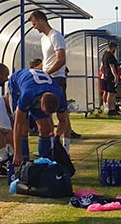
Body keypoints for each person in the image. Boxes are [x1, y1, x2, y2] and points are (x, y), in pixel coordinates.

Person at [29, 10, 77, 148]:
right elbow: (46, 61)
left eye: (34, 24)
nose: (34, 27)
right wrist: (34, 71)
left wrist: (47, 73)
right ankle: (50, 146)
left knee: (62, 114)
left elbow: (61, 60)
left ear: (40, 20)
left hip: (57, 79)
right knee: (47, 113)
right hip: (47, 79)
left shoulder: (55, 36)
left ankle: (66, 148)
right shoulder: (43, 39)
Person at [8, 68, 65, 165]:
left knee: (45, 128)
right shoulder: (27, 94)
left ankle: (45, 161)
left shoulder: (60, 95)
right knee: (23, 126)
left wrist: (57, 135)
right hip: (17, 84)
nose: (48, 115)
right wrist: (17, 152)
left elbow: (63, 121)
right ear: (40, 102)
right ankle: (23, 159)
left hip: (37, 87)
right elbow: (18, 125)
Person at [101, 42, 120, 116]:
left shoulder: (104, 55)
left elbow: (102, 67)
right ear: (113, 47)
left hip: (106, 76)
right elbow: (112, 67)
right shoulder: (110, 56)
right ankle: (111, 109)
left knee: (110, 92)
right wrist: (115, 76)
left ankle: (112, 108)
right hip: (110, 76)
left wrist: (105, 73)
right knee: (111, 93)